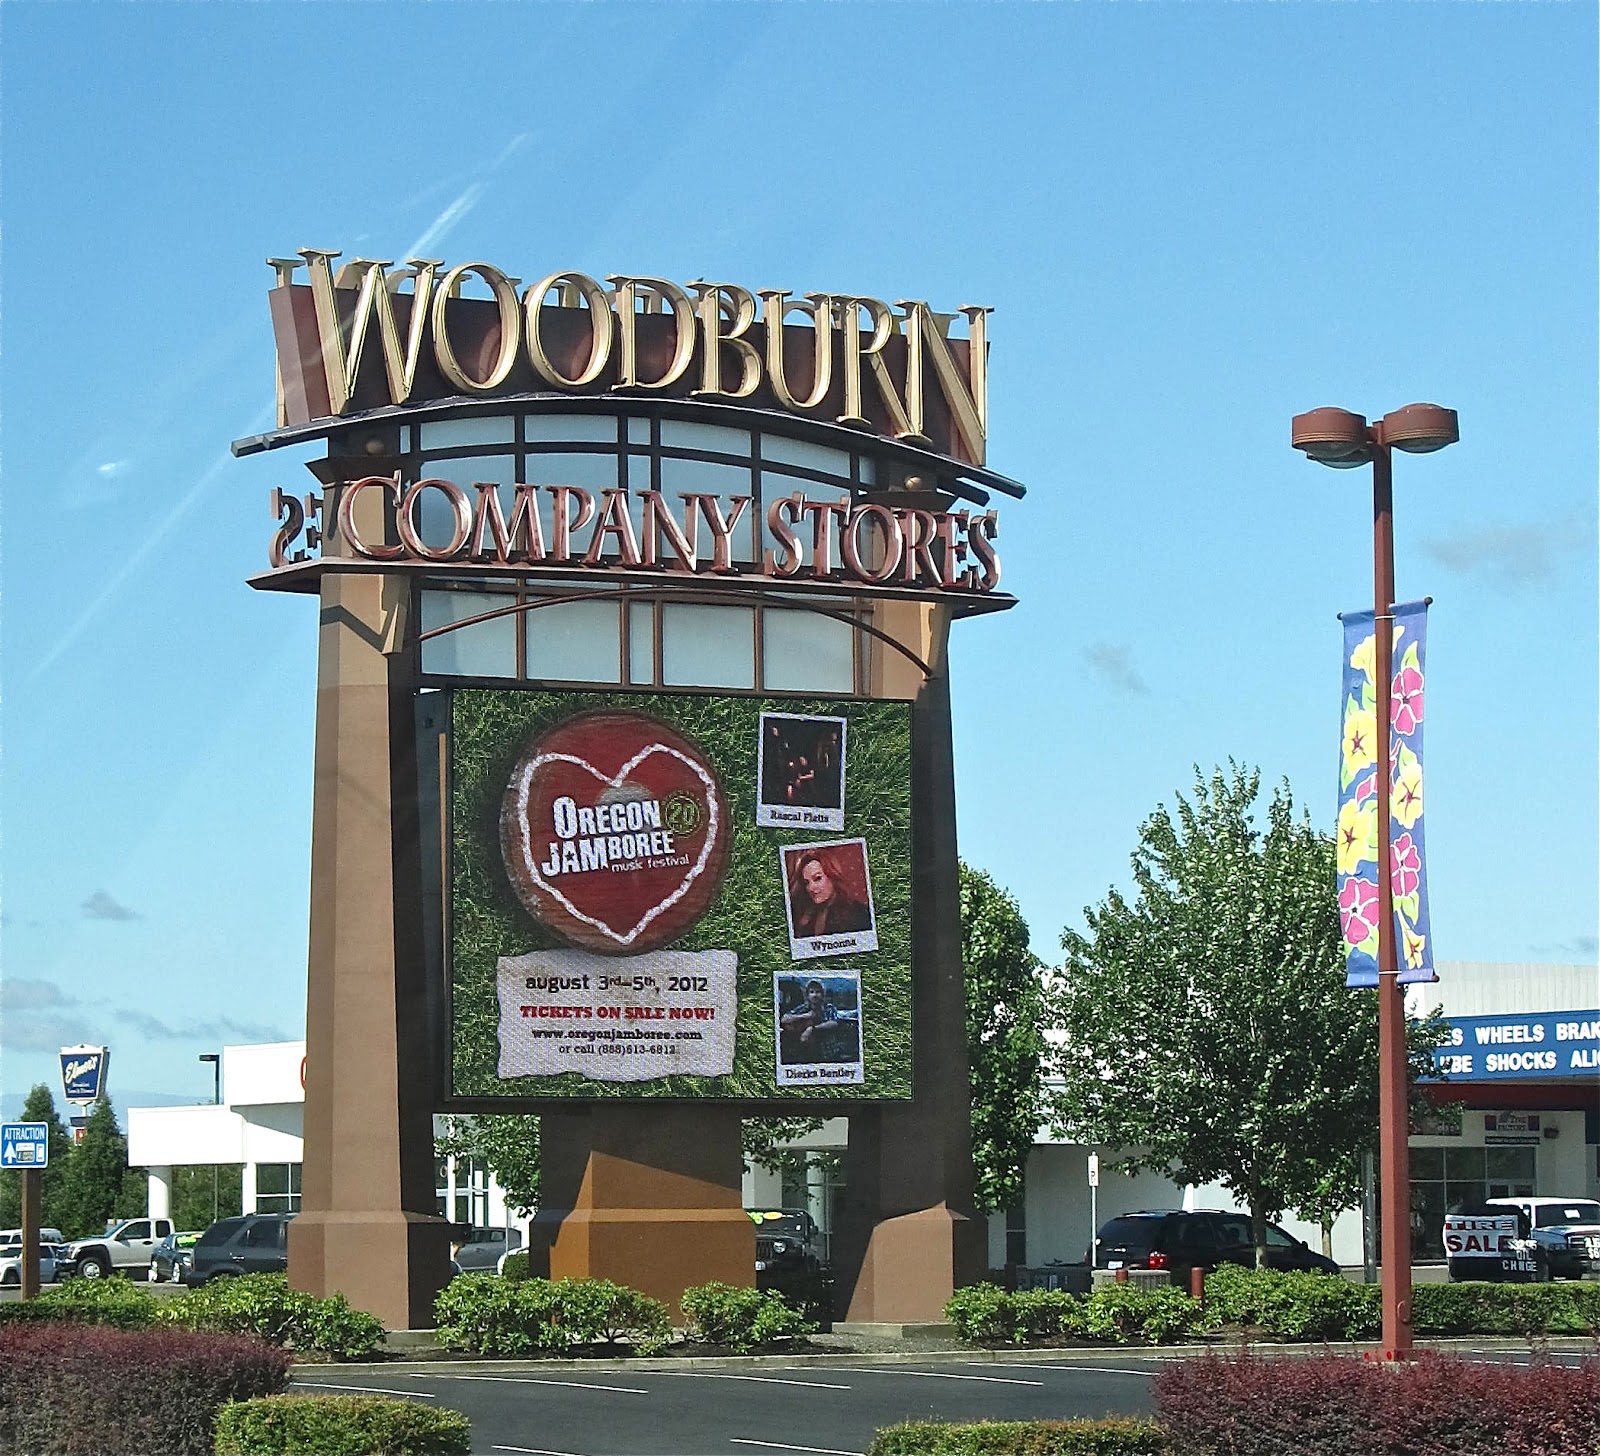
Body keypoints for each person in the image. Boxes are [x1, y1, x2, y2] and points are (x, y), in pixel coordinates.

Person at [787, 848, 872, 937]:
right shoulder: (806, 915)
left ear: (832, 876)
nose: (811, 888)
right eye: (807, 883)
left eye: (817, 878)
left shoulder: (858, 913)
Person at [780, 979, 842, 1062]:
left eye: (818, 992)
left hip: (828, 1050)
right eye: (812, 992)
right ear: (807, 995)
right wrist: (804, 1016)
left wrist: (812, 1028)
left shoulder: (829, 1007)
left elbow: (834, 1023)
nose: (815, 995)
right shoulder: (803, 1008)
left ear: (822, 994)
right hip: (808, 1051)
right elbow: (784, 1019)